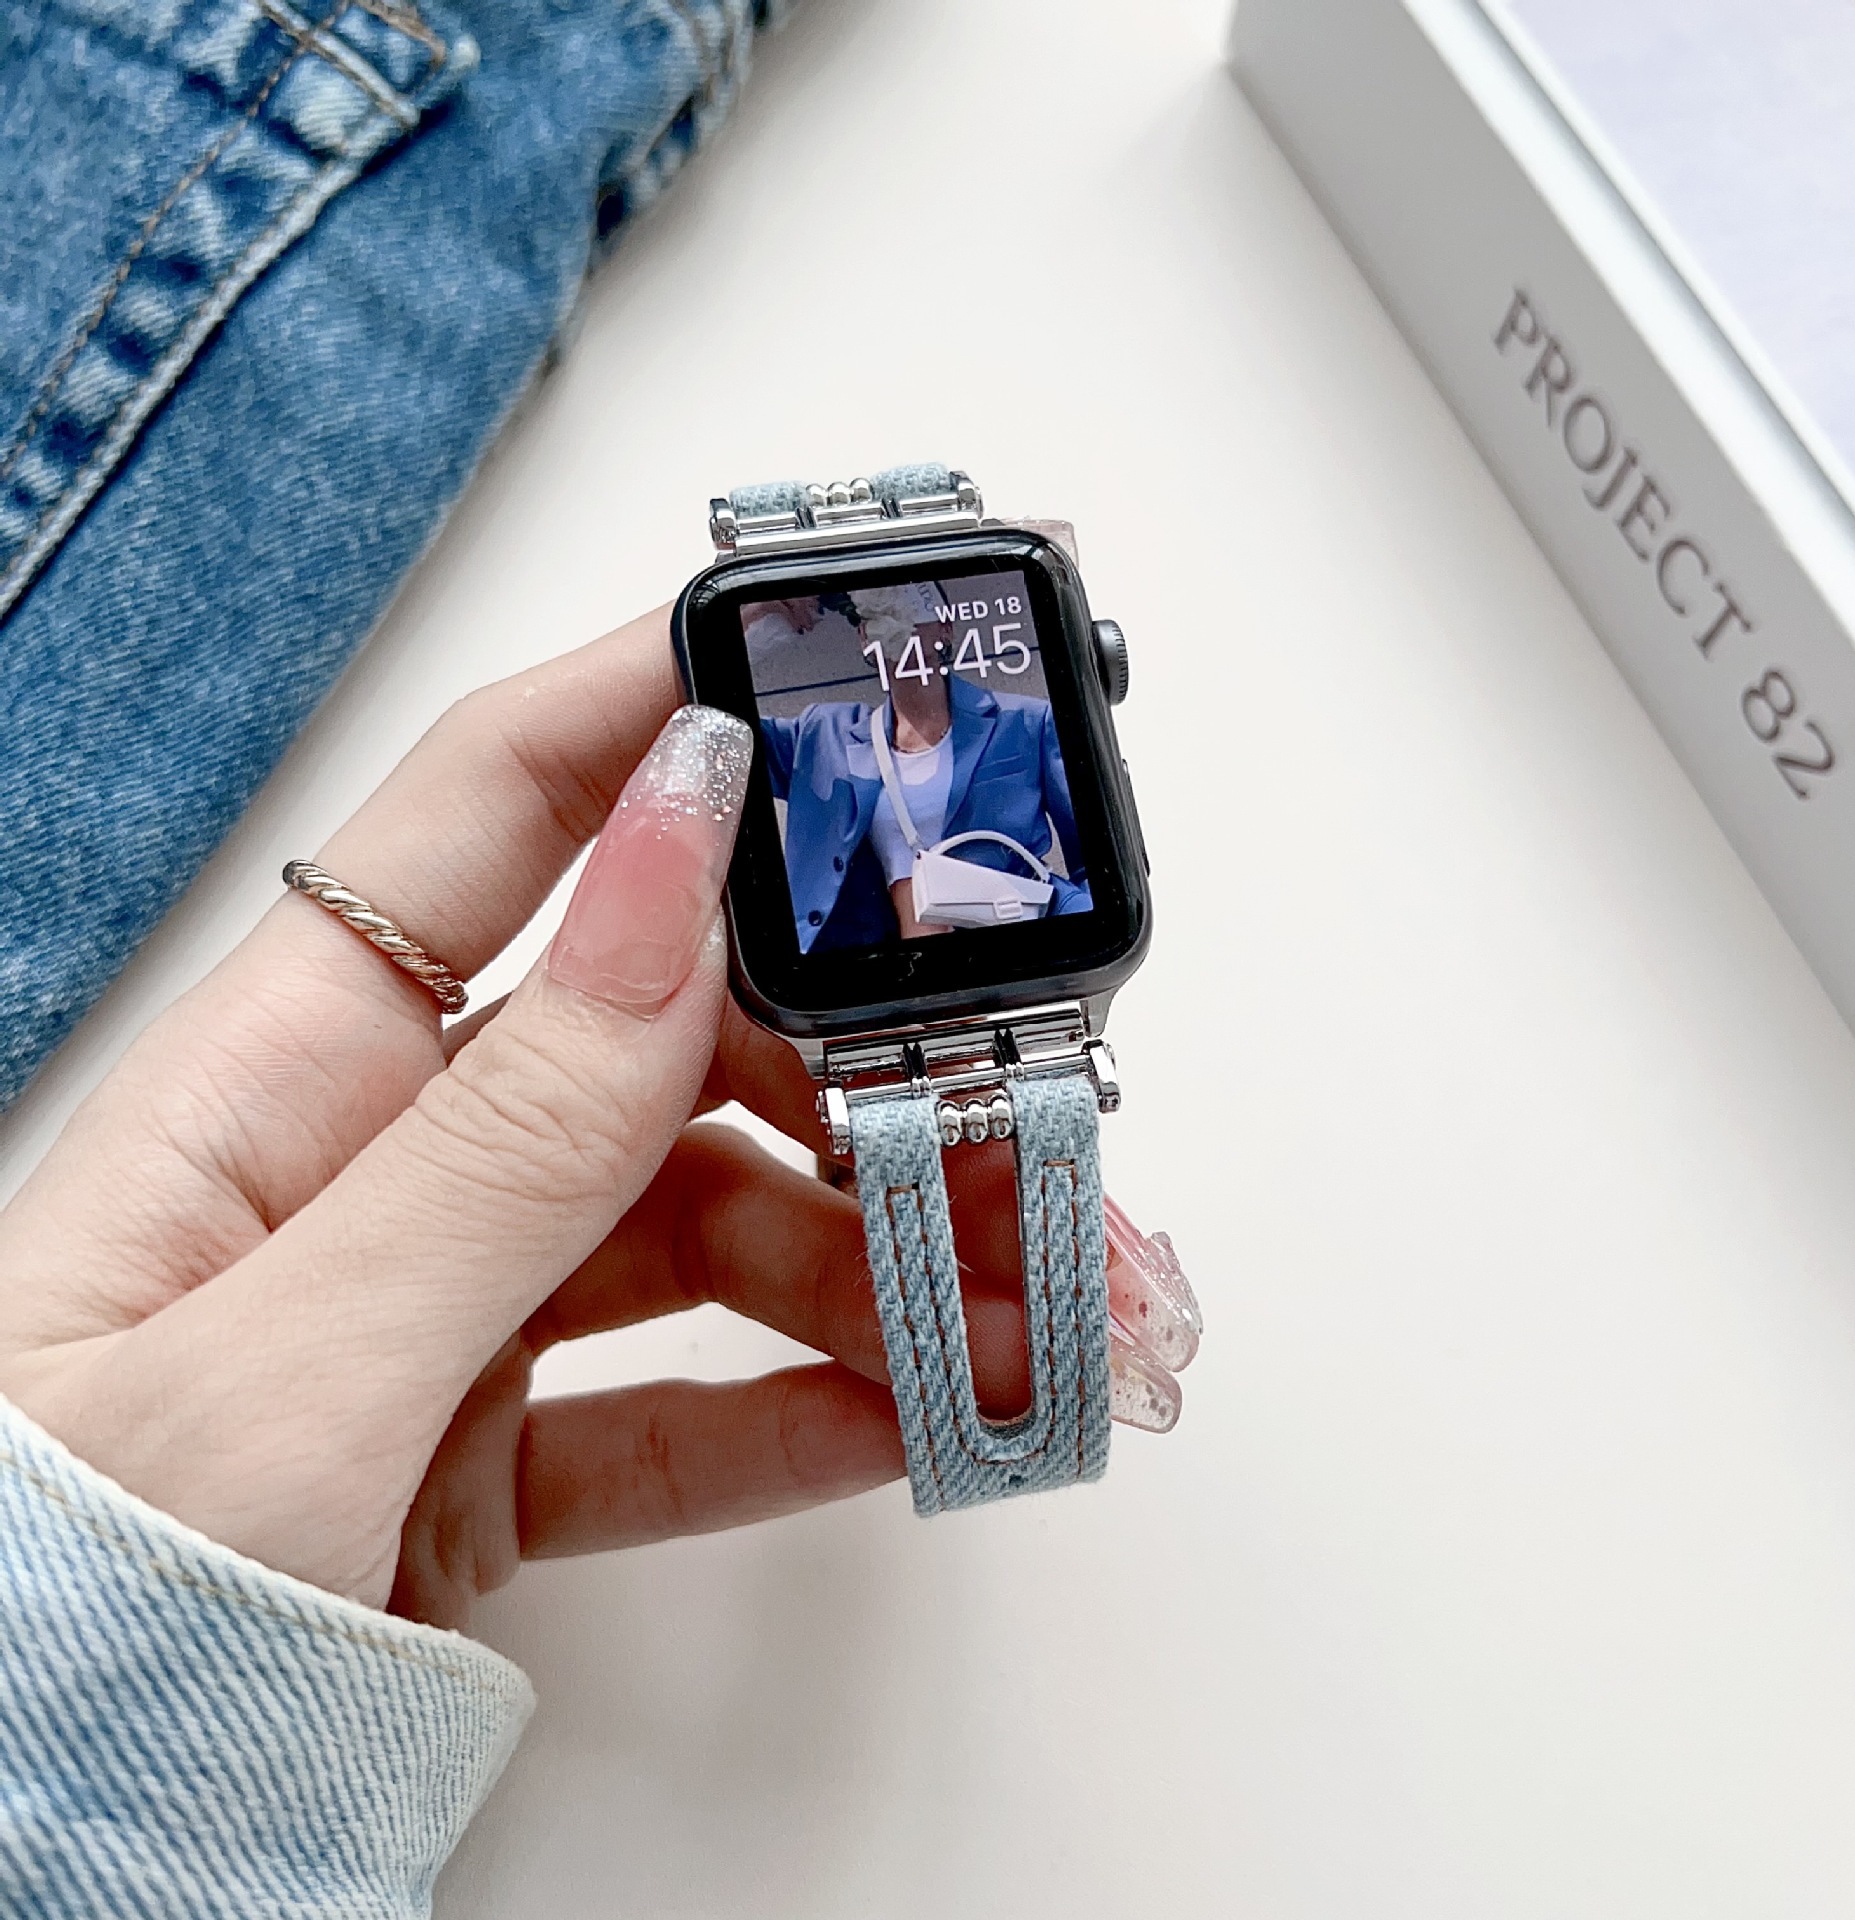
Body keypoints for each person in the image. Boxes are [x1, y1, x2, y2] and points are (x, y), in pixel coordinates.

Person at [0, 607, 1201, 1911]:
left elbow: (1037, 869)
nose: (908, 666)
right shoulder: (841, 745)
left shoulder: (1016, 732)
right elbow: (823, 880)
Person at [760, 586, 1091, 951]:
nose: (899, 620)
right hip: (874, 968)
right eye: (878, 613)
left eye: (916, 606)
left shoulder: (1027, 720)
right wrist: (761, 608)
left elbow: (1093, 857)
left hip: (1009, 955)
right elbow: (726, 728)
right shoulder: (823, 735)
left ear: (945, 628)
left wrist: (1086, 942)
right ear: (864, 638)